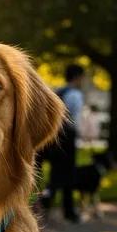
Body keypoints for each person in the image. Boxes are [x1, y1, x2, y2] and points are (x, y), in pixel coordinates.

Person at [40, 62, 85, 222]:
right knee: (67, 174)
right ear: (78, 77)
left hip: (53, 136)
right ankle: (69, 211)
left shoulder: (57, 92)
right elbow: (75, 118)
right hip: (67, 137)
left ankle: (46, 200)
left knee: (55, 173)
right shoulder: (75, 95)